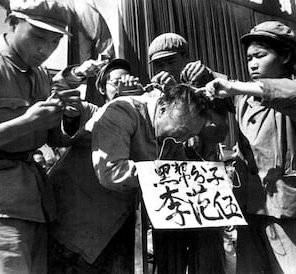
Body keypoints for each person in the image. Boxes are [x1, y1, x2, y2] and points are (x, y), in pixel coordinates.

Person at [0, 0, 83, 273]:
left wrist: (68, 116)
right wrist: (25, 122)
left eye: (55, 41)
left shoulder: (42, 75)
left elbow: (51, 137)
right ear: (11, 23)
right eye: (38, 36)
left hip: (33, 206)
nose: (45, 49)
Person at [204, 21, 296, 272]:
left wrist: (231, 86)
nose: (253, 63)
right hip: (251, 207)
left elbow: (289, 91)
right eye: (249, 58)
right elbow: (219, 89)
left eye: (260, 55)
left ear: (286, 56)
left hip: (287, 210)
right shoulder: (244, 98)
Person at [89, 84, 212, 273]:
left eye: (191, 135)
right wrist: (170, 174)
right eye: (182, 131)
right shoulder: (122, 111)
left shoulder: (173, 136)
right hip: (82, 215)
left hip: (119, 225)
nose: (183, 140)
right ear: (162, 109)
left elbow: (180, 171)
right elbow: (112, 172)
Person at [48, 58, 148, 273]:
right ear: (101, 88)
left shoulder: (144, 117)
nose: (123, 86)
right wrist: (79, 72)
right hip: (71, 227)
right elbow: (58, 94)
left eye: (128, 81)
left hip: (112, 232)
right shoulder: (91, 112)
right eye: (116, 82)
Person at [147, 33, 230, 273]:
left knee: (208, 258)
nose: (165, 69)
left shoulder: (209, 83)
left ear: (186, 58)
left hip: (204, 183)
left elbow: (217, 131)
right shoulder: (153, 95)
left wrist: (182, 97)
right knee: (169, 259)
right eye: (159, 64)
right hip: (170, 184)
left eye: (171, 61)